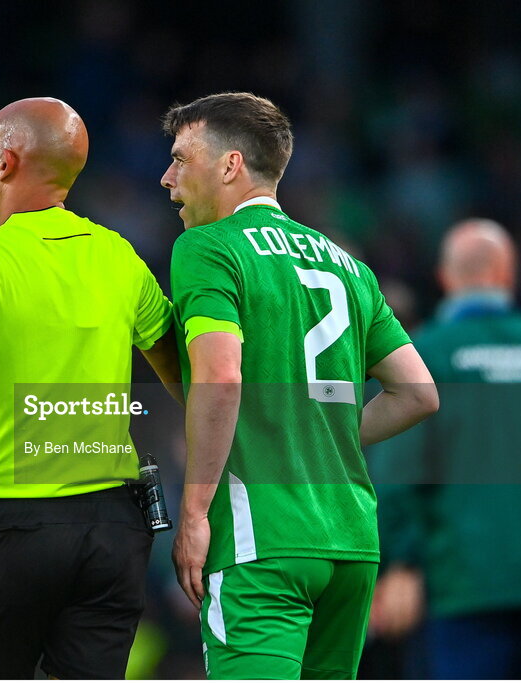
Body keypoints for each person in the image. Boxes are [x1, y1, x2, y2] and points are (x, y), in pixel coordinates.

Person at [0, 97, 182, 679]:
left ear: (7, 162)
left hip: (16, 527)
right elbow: (188, 379)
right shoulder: (119, 256)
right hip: (113, 529)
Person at [161, 92, 439, 680]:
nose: (168, 178)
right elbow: (418, 393)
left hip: (263, 541)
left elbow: (220, 374)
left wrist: (194, 514)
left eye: (182, 159)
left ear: (230, 165)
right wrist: (320, 433)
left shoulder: (208, 248)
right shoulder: (348, 263)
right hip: (351, 541)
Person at [368, 218, 521, 679]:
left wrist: (399, 560)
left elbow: (399, 468)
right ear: (507, 274)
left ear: (445, 279)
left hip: (458, 583)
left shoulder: (429, 355)